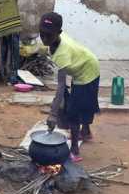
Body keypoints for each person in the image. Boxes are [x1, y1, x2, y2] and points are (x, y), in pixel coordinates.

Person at [39, 12, 100, 163]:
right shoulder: (56, 40)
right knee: (79, 101)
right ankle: (85, 132)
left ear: (58, 33)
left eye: (49, 35)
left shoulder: (62, 53)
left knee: (74, 111)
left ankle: (74, 150)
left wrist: (53, 114)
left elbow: (60, 87)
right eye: (42, 34)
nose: (44, 39)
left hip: (87, 71)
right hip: (82, 64)